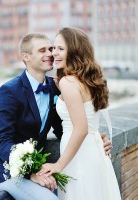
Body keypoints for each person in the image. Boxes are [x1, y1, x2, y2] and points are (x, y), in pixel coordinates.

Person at [0, 32, 112, 200]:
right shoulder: (8, 92)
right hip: (10, 172)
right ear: (26, 57)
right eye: (42, 50)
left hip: (43, 169)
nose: (50, 54)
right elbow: (1, 141)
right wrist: (31, 173)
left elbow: (67, 128)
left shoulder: (55, 87)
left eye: (51, 48)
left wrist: (95, 139)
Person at [37, 27, 121, 200]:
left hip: (79, 156)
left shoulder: (68, 82)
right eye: (54, 48)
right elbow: (89, 123)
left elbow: (81, 128)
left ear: (75, 51)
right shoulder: (87, 81)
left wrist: (59, 165)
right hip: (93, 149)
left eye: (61, 49)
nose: (54, 53)